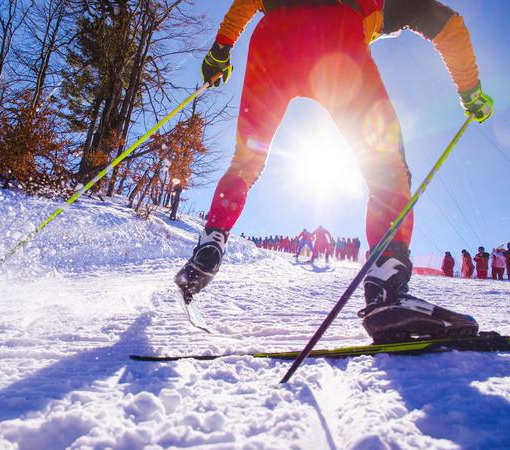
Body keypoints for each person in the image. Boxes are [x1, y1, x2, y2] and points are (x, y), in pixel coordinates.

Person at [175, 0, 492, 342]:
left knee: (246, 159)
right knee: (386, 169)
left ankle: (211, 241)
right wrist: (470, 91)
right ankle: (386, 284)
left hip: (273, 38)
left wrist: (221, 49)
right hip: (338, 40)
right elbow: (447, 24)